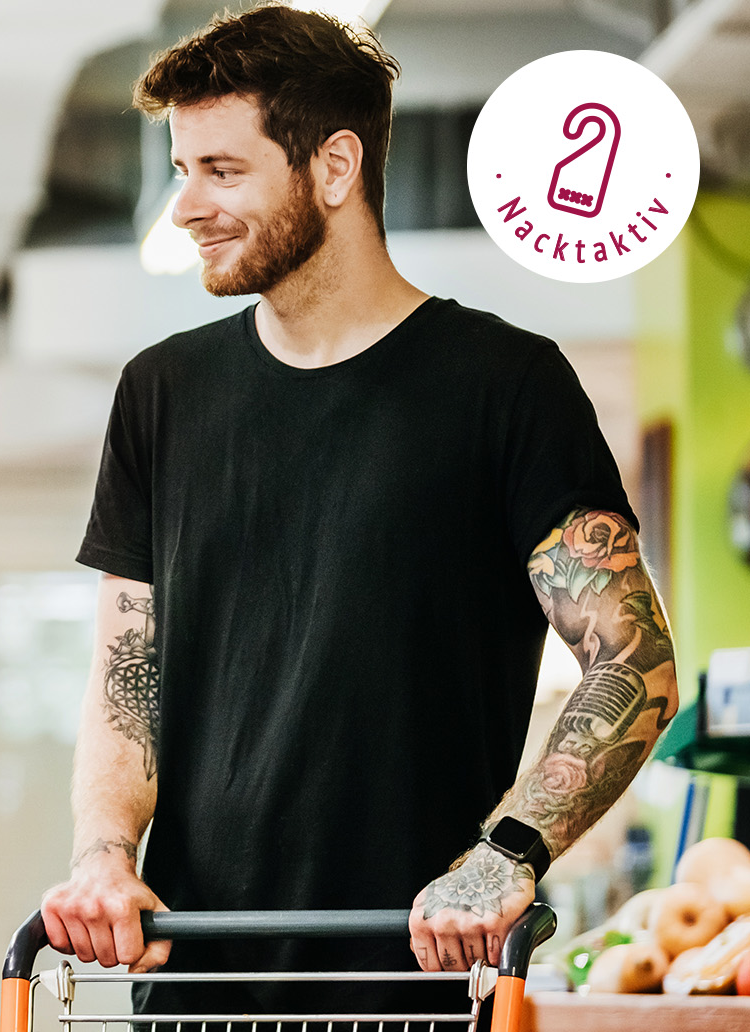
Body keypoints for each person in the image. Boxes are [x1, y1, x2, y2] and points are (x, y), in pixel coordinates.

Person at [35, 4, 678, 1018]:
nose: (187, 205)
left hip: (408, 977)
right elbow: (127, 675)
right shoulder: (160, 392)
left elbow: (631, 661)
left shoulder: (504, 387)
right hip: (197, 971)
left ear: (333, 168)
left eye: (221, 169)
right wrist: (102, 857)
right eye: (179, 169)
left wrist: (502, 857)